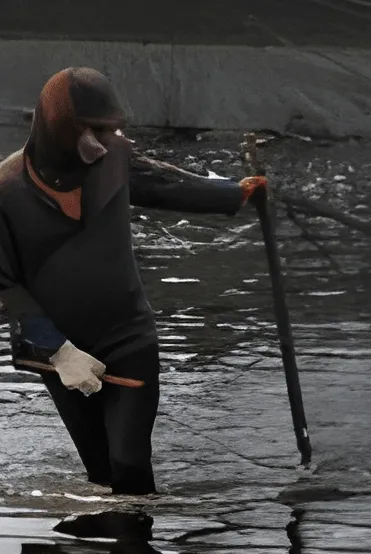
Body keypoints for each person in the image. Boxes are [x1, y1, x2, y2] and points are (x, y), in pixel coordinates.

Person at [0, 67, 267, 496]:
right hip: (57, 353)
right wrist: (60, 351)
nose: (107, 140)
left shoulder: (115, 158)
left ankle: (136, 550)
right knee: (101, 472)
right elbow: (5, 287)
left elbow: (166, 183)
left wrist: (237, 194)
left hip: (127, 338)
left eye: (113, 130)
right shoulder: (6, 189)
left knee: (129, 465)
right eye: (97, 130)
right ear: (60, 128)